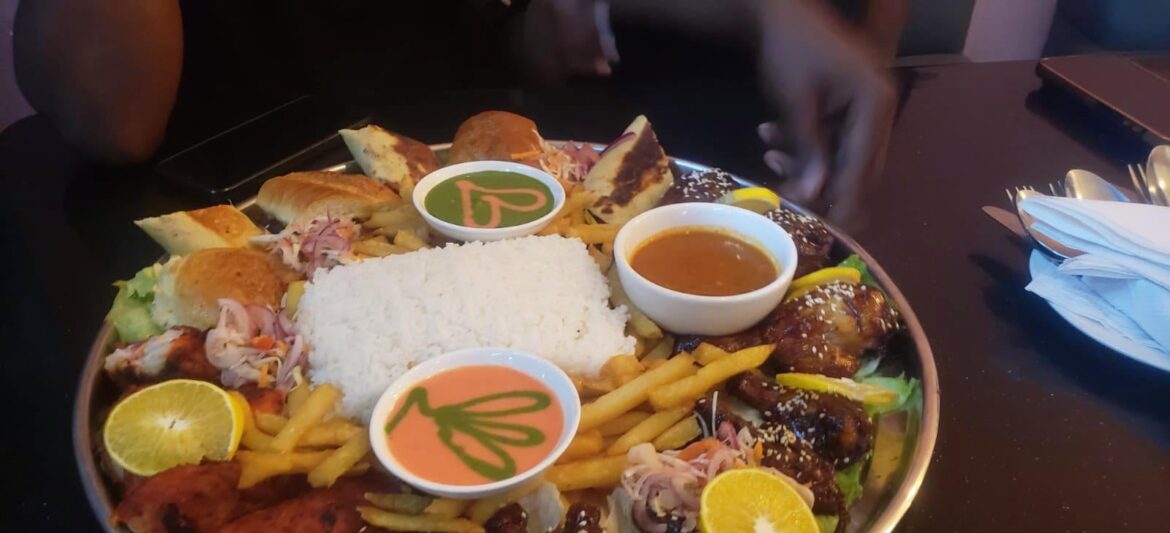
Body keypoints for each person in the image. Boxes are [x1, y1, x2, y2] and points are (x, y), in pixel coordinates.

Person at [14, 0, 905, 221]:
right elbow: (111, 118)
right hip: (210, 191)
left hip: (491, 174)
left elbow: (532, 32)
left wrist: (767, 12)